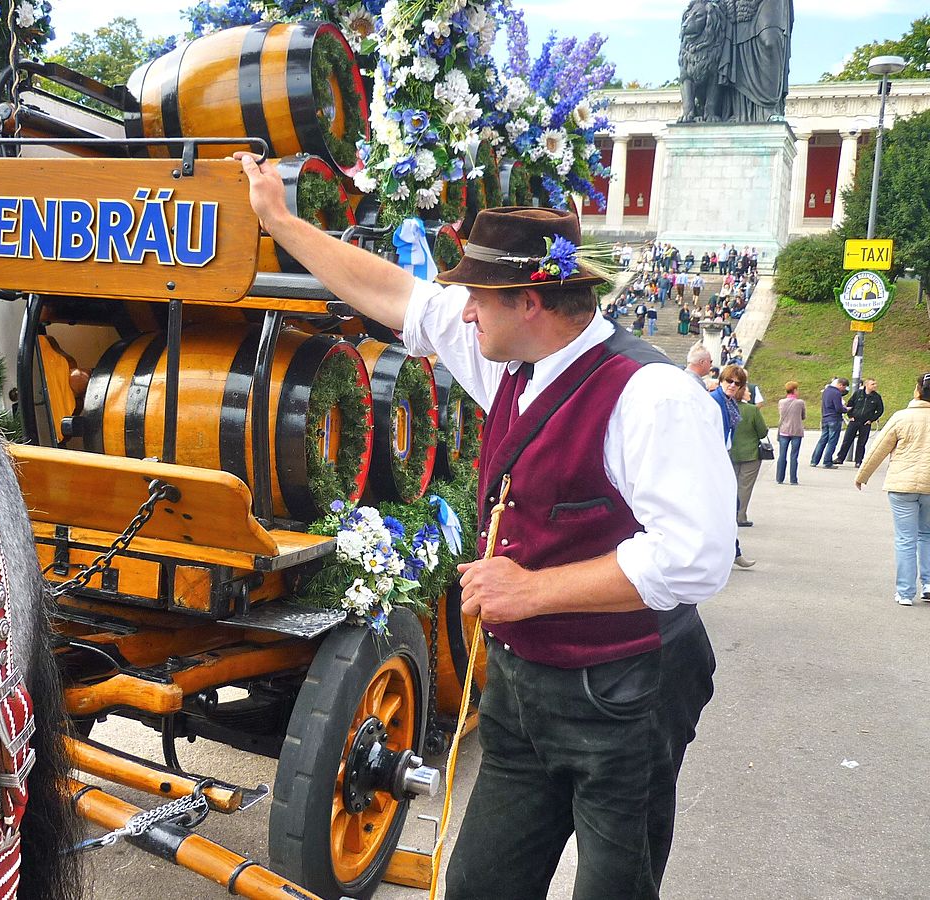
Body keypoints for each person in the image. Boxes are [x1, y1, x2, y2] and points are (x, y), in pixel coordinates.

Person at [235, 152, 736, 900]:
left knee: (613, 887)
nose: (462, 311)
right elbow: (392, 292)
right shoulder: (506, 353)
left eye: (477, 296)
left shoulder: (654, 397)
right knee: (481, 884)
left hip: (626, 691)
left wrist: (530, 591)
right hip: (522, 690)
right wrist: (280, 221)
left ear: (530, 302)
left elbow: (694, 559)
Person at [856, 373, 930, 605]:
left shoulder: (902, 417)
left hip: (902, 485)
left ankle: (905, 592)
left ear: (917, 391)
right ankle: (928, 585)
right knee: (927, 535)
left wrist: (862, 475)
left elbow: (879, 448)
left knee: (905, 539)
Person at [710, 365, 755, 567]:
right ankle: (731, 552)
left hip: (723, 457)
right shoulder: (714, 401)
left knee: (729, 506)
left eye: (738, 383)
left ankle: (732, 551)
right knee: (725, 507)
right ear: (721, 380)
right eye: (730, 381)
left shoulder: (729, 402)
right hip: (713, 460)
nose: (733, 386)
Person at [728, 377, 769, 526]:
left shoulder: (726, 408)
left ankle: (728, 513)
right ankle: (740, 515)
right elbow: (762, 432)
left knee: (731, 485)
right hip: (750, 454)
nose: (750, 394)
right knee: (745, 486)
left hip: (731, 453)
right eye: (747, 391)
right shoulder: (752, 410)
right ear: (741, 393)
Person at [836, 378, 884, 467]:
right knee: (847, 440)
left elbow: (880, 410)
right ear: (866, 385)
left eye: (875, 384)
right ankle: (840, 458)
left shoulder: (876, 397)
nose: (875, 386)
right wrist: (850, 416)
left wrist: (871, 419)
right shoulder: (858, 394)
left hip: (865, 422)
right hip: (854, 420)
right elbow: (850, 404)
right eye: (872, 384)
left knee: (862, 443)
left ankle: (858, 461)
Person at [809, 377, 849, 468]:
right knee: (832, 441)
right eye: (844, 387)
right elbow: (838, 408)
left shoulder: (826, 391)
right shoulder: (836, 393)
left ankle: (814, 461)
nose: (844, 390)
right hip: (834, 419)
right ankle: (827, 462)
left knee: (822, 440)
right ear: (840, 385)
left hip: (825, 418)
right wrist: (846, 409)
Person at [776, 380, 805, 485]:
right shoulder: (800, 403)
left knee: (782, 455)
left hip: (784, 431)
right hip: (796, 431)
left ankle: (779, 478)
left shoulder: (781, 402)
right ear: (795, 390)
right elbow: (803, 416)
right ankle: (793, 479)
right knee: (794, 455)